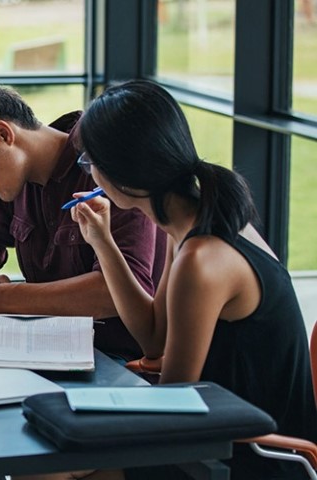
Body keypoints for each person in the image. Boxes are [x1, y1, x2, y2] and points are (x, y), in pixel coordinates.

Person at [70, 79, 316, 479]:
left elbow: (173, 404)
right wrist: (102, 242)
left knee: (53, 469)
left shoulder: (200, 260)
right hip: (225, 432)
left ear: (123, 174)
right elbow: (153, 337)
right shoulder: (194, 222)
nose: (90, 173)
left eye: (89, 163)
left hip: (250, 456)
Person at [0, 73, 164, 361]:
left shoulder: (104, 164)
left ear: (3, 134)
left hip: (121, 364)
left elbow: (116, 292)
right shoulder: (16, 184)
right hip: (47, 352)